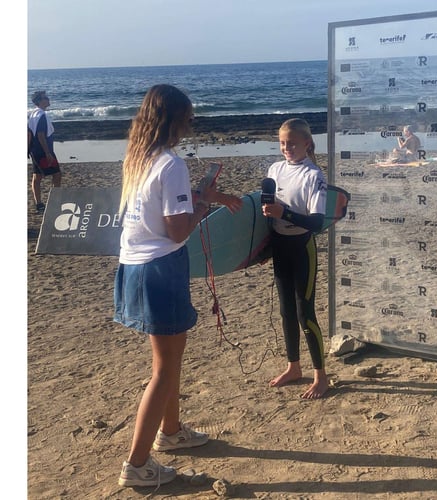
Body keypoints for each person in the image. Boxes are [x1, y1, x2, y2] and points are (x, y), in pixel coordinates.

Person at [114, 84, 242, 488]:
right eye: (188, 118)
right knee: (165, 369)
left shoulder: (139, 158)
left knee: (169, 360)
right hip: (160, 267)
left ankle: (171, 431)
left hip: (135, 264)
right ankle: (137, 464)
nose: (190, 125)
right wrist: (202, 204)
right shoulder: (170, 165)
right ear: (172, 120)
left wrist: (201, 197)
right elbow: (177, 230)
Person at [261, 118, 329, 399]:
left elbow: (316, 222)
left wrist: (284, 213)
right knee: (286, 311)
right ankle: (294, 367)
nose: (286, 148)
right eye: (282, 143)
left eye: (291, 143)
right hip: (279, 246)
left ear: (307, 144)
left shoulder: (314, 176)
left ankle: (321, 376)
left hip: (302, 247)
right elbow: (266, 213)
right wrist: (260, 249)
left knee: (305, 313)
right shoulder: (275, 170)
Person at [28, 90, 62, 212]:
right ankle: (54, 201)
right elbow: (41, 135)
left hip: (35, 150)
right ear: (39, 101)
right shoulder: (41, 115)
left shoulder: (33, 114)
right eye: (45, 98)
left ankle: (39, 204)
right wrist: (48, 153)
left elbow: (29, 133)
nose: (48, 99)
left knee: (37, 176)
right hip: (43, 151)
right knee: (57, 175)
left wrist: (28, 149)